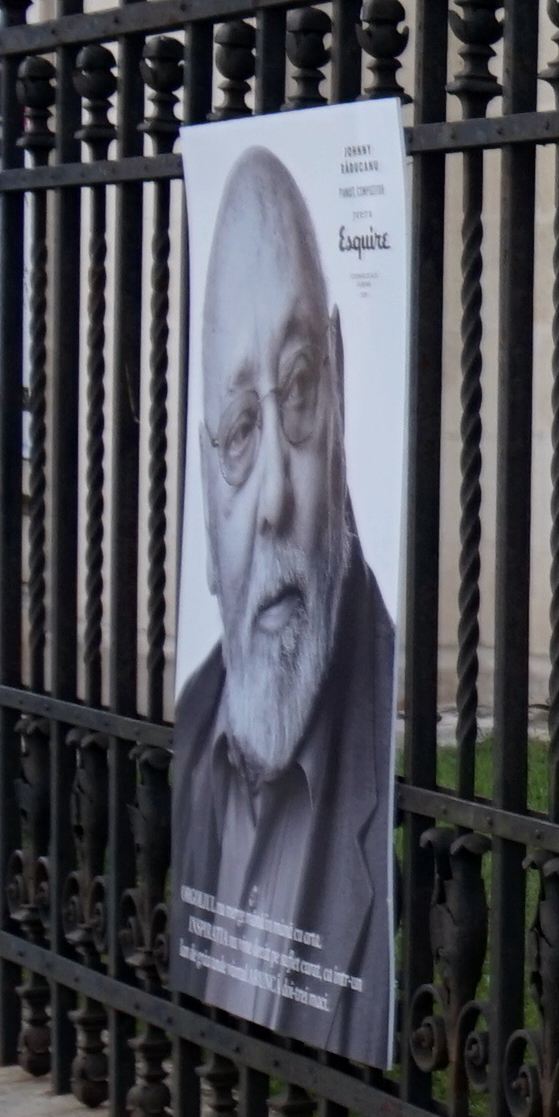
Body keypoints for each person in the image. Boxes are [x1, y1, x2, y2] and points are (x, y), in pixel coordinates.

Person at [170, 142, 397, 1064]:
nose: (272, 501)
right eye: (236, 431)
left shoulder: (388, 759)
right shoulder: (189, 733)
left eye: (298, 391)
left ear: (339, 394)